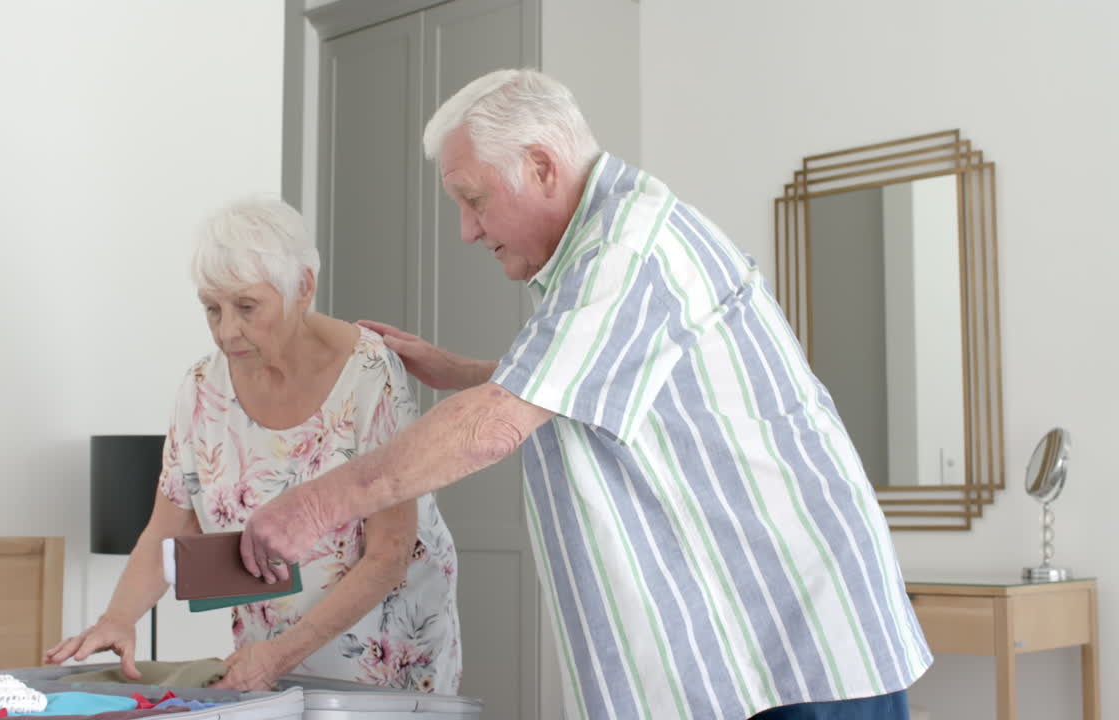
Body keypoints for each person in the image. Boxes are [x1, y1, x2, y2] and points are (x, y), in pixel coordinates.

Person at [234, 69, 932, 719]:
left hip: (797, 631)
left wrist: (315, 506)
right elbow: (602, 384)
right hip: (746, 627)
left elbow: (498, 426)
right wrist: (466, 369)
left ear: (540, 165)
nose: (467, 230)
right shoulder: (605, 251)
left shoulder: (629, 251)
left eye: (474, 201)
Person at [45, 198, 461, 694]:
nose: (226, 331)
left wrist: (280, 656)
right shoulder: (201, 389)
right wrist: (116, 620)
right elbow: (169, 528)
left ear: (303, 288)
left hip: (385, 644)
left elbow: (389, 553)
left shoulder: (369, 373)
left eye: (246, 307)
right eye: (211, 309)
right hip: (267, 648)